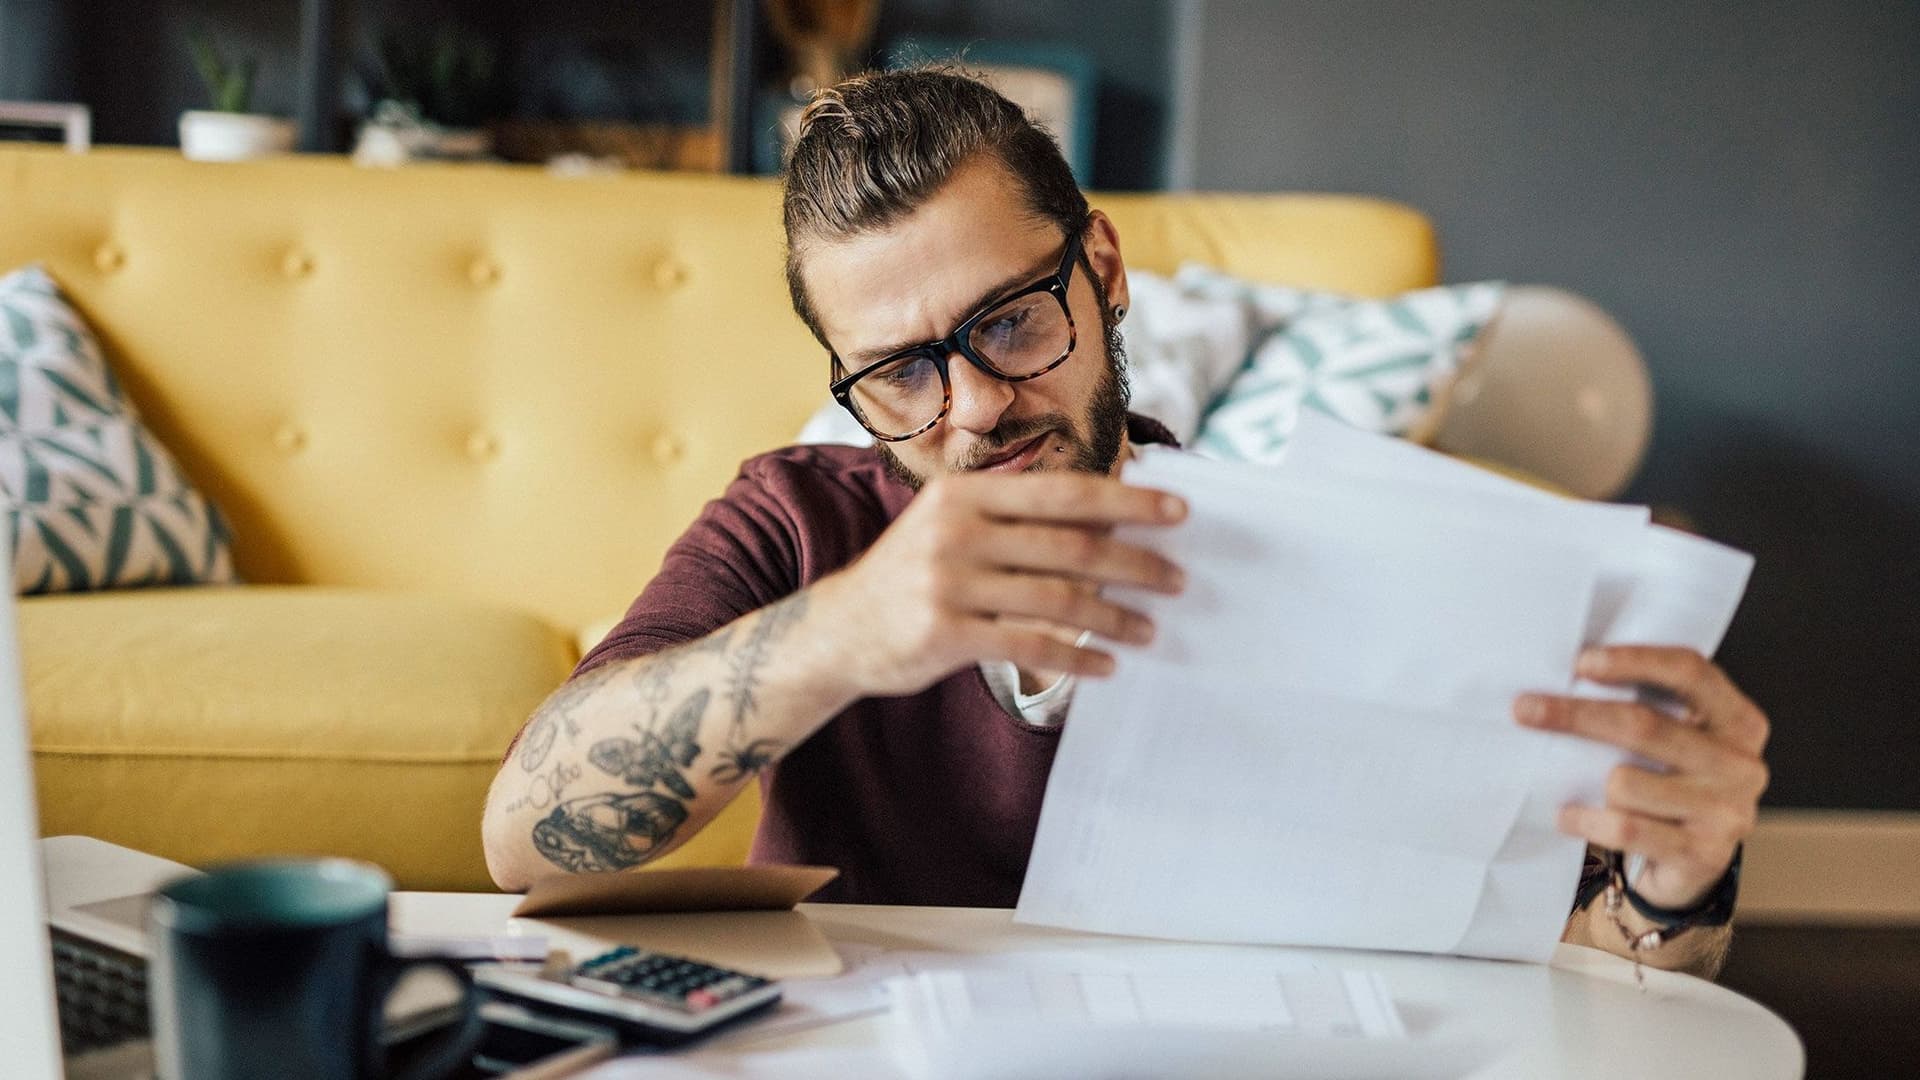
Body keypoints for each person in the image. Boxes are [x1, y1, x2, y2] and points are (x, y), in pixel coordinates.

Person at [481, 68, 1768, 979]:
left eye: (1012, 321)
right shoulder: (797, 523)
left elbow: (1595, 967)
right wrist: (848, 635)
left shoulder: (1317, 564)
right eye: (899, 375)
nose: (975, 407)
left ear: (1101, 271)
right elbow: (522, 839)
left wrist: (1681, 872)